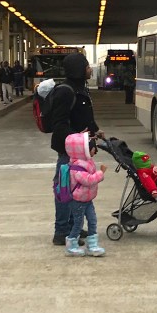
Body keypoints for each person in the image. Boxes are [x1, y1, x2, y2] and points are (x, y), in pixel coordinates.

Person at [49, 52, 104, 246]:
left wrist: (96, 131)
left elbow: (85, 117)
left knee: (76, 190)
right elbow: (59, 124)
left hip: (80, 151)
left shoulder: (81, 88)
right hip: (68, 151)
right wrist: (80, 139)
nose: (90, 69)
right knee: (65, 190)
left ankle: (73, 227)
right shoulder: (65, 91)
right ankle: (61, 231)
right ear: (78, 69)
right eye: (87, 65)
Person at [64, 132, 107, 257]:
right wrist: (101, 173)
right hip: (77, 201)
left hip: (87, 199)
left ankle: (92, 245)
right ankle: (71, 246)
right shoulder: (76, 167)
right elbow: (88, 180)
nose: (94, 152)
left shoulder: (85, 163)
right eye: (93, 149)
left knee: (92, 220)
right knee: (78, 223)